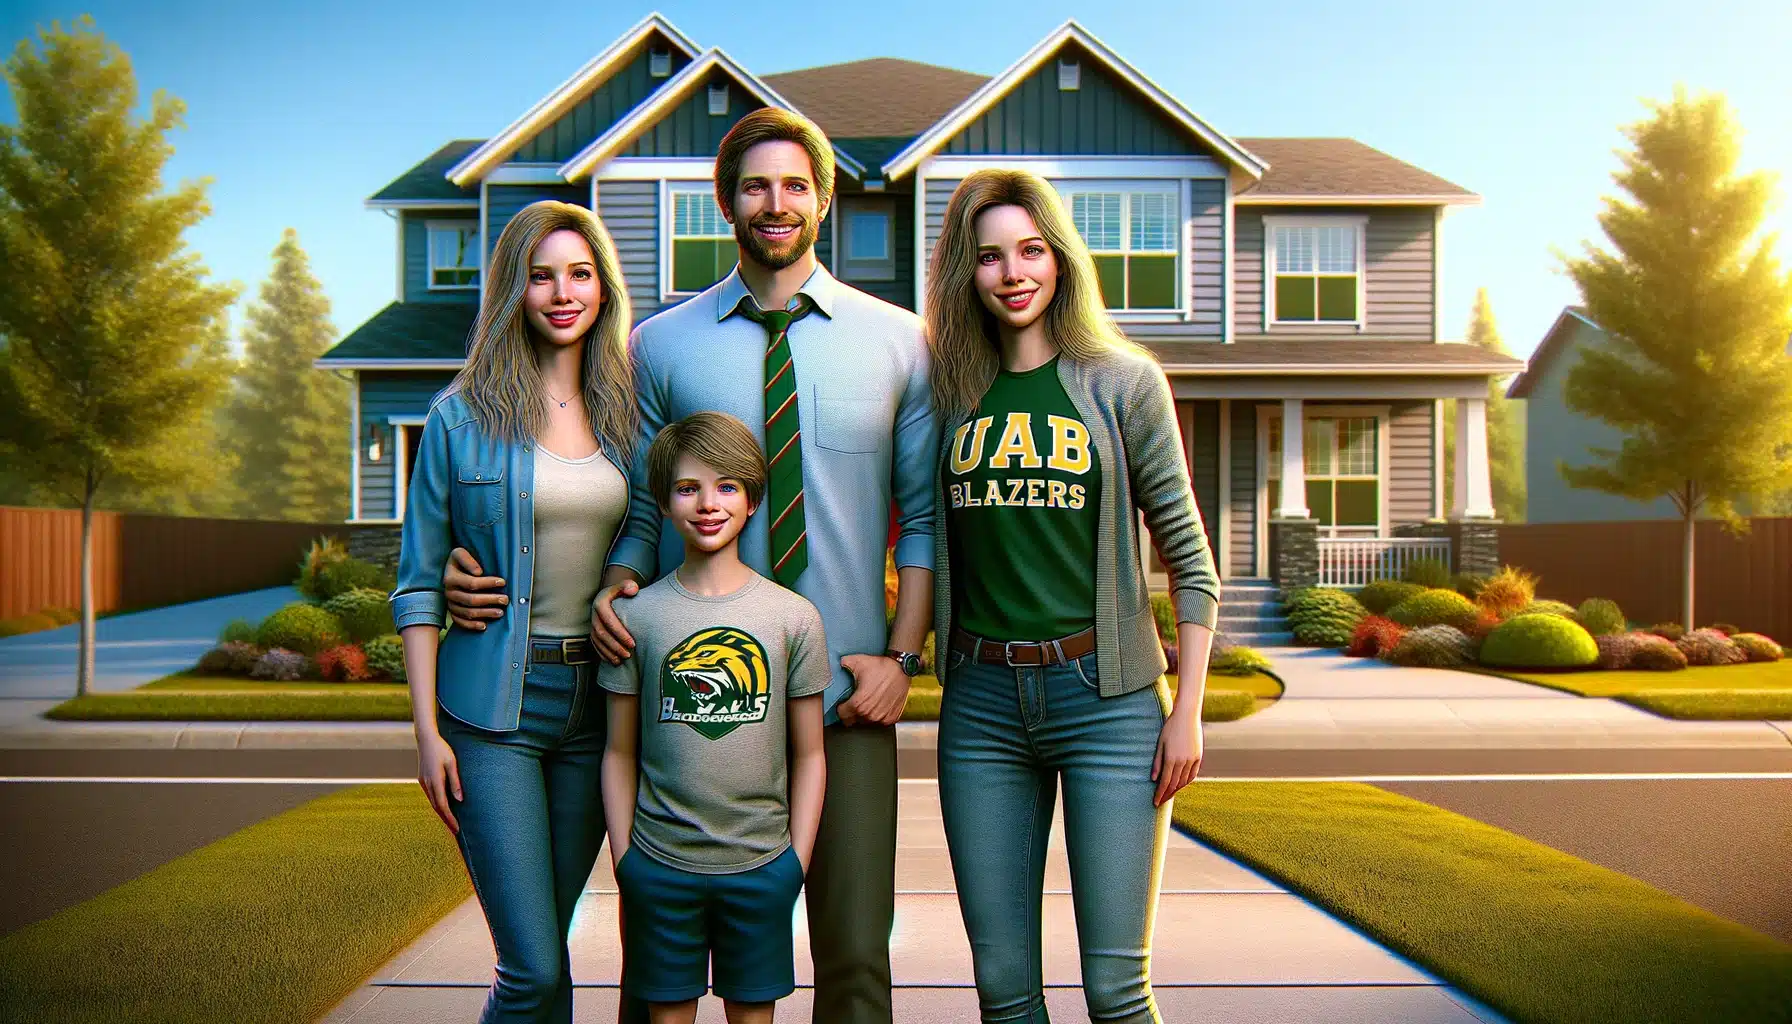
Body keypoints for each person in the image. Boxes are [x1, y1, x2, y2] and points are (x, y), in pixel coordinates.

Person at [440, 107, 937, 1024]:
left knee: (857, 955)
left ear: (824, 199)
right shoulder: (660, 347)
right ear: (725, 203)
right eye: (755, 186)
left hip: (845, 691)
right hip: (692, 691)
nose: (775, 203)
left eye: (795, 185)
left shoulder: (900, 341)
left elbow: (926, 525)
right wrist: (616, 581)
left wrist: (901, 660)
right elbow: (628, 497)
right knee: (659, 968)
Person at [924, 168, 1221, 1024]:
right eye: (989, 256)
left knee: (1117, 993)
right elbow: (910, 527)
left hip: (1110, 704)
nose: (1013, 272)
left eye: (1031, 250)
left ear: (1060, 260)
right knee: (1003, 994)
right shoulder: (949, 394)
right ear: (965, 273)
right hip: (980, 707)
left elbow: (1189, 559)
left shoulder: (1122, 382)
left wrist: (1187, 710)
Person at [391, 199, 638, 1023]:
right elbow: (419, 585)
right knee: (530, 966)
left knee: (550, 955)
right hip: (493, 712)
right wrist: (426, 734)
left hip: (597, 711)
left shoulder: (631, 418)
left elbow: (655, 534)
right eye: (540, 276)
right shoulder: (460, 418)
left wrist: (625, 578)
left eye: (579, 273)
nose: (562, 292)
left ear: (602, 288)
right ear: (512, 292)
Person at [598, 411, 828, 1024]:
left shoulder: (793, 618)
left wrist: (793, 863)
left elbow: (810, 754)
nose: (707, 504)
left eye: (727, 486)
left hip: (760, 867)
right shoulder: (638, 617)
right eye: (687, 487)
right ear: (665, 503)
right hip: (659, 867)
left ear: (753, 500)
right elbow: (619, 752)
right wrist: (627, 861)